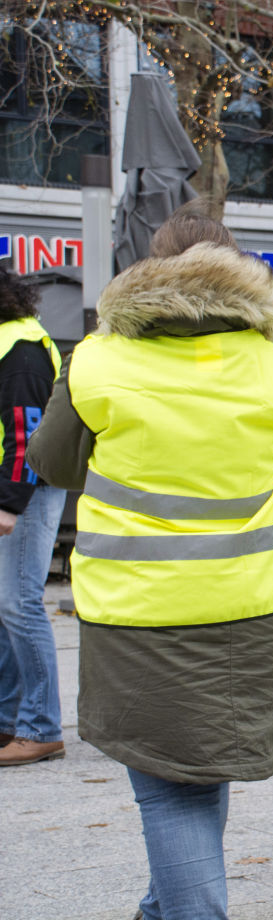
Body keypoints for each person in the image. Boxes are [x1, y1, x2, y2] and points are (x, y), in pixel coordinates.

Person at [26, 213, 273, 920]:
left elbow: (53, 463)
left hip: (138, 614)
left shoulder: (97, 359)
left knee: (169, 785)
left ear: (150, 270)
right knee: (196, 774)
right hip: (247, 609)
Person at [0, 266, 65, 767]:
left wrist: (7, 505)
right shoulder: (13, 341)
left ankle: (40, 727)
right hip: (20, 490)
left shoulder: (19, 349)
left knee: (20, 606)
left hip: (25, 493)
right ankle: (10, 721)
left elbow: (25, 433)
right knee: (7, 609)